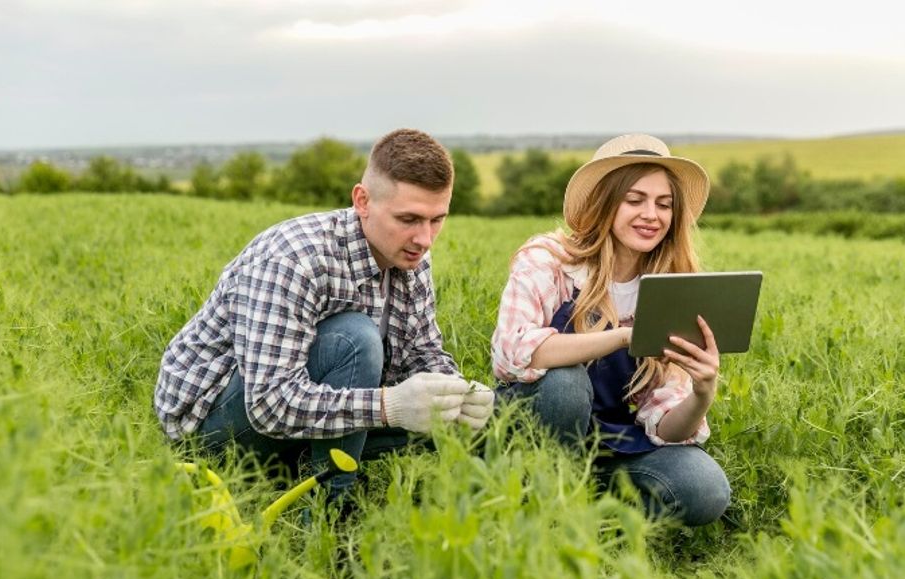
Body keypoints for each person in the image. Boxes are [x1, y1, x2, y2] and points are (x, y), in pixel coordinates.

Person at [155, 128, 494, 495]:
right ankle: (329, 513)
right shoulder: (294, 259)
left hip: (301, 417)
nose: (425, 239)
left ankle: (306, 467)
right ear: (362, 201)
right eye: (408, 219)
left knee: (439, 415)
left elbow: (421, 353)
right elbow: (269, 404)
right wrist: (388, 406)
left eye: (437, 219)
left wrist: (459, 393)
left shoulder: (411, 259)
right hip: (213, 429)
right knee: (354, 339)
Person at [491, 134, 730, 526]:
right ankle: (539, 499)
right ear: (605, 202)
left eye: (663, 204)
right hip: (534, 427)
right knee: (564, 384)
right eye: (634, 200)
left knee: (705, 489)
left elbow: (667, 425)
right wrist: (622, 336)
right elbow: (511, 353)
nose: (651, 215)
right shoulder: (550, 261)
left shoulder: (670, 286)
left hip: (612, 442)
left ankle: (594, 519)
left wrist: (702, 393)